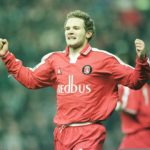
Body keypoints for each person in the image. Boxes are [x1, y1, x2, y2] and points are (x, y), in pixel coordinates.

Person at [0, 10, 150, 150]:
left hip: (89, 132)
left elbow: (135, 81)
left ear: (88, 33)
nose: (70, 31)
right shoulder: (54, 60)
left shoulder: (104, 60)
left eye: (76, 28)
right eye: (67, 28)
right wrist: (6, 56)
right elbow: (30, 80)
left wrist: (142, 60)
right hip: (61, 133)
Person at [117, 82, 150, 149]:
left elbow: (132, 109)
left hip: (138, 139)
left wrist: (115, 104)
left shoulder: (130, 84)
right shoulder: (145, 85)